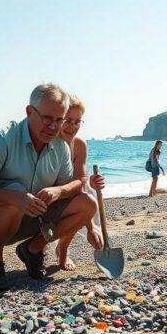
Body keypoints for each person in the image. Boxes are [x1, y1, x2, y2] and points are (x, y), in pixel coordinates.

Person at [0, 83, 98, 291]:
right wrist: (15, 198)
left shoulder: (60, 147)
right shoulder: (3, 138)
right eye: (47, 118)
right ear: (29, 111)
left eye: (59, 120)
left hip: (30, 217)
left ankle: (32, 249)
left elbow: (76, 186)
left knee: (87, 203)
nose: (53, 127)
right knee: (16, 190)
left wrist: (59, 191)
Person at [53, 95, 106, 271]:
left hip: (72, 195)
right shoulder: (48, 142)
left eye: (78, 122)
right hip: (47, 194)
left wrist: (91, 227)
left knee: (84, 202)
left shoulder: (79, 145)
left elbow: (79, 184)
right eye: (68, 120)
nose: (73, 126)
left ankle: (63, 248)